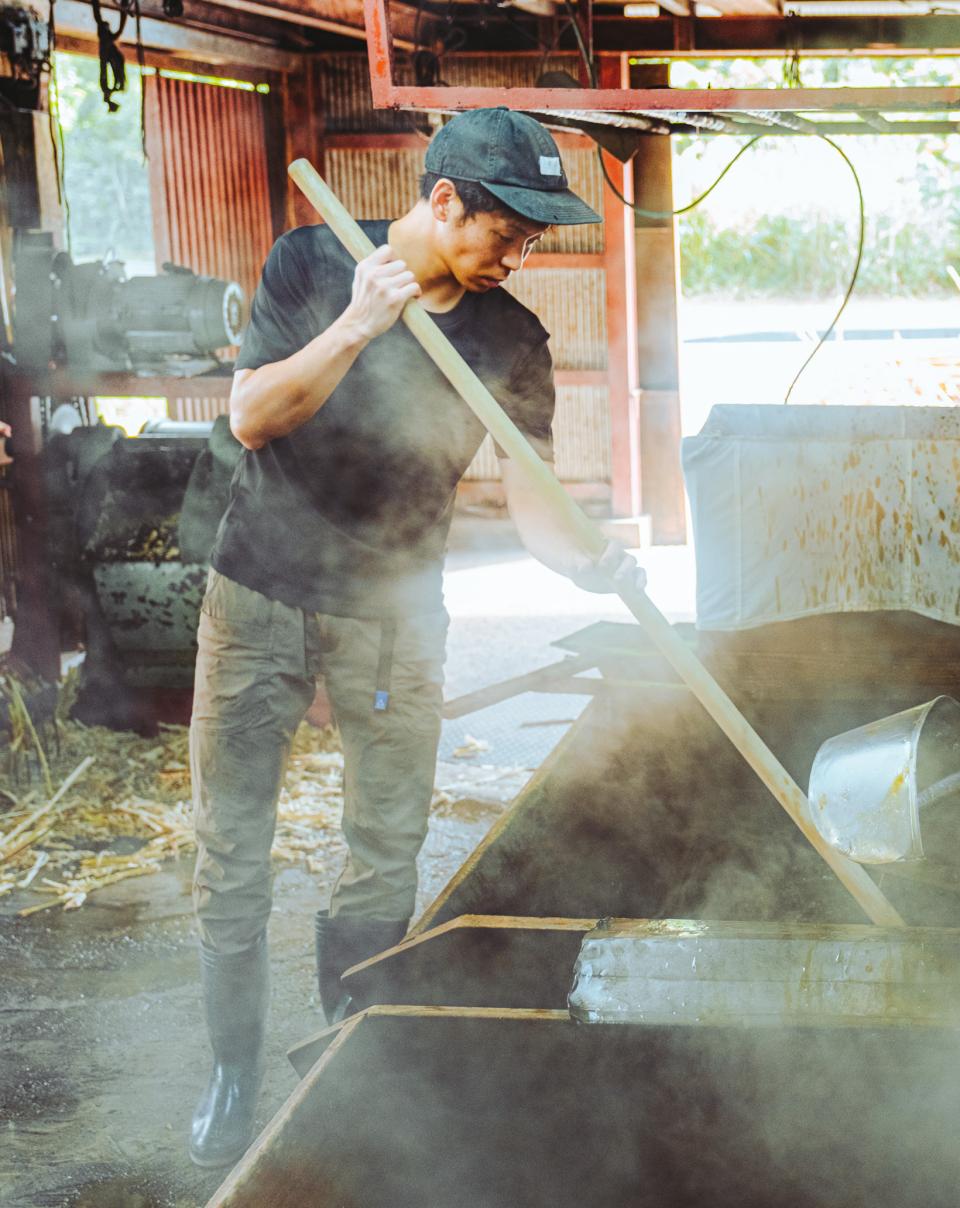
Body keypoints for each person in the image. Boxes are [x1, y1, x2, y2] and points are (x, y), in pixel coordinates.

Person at [186, 107, 640, 1168]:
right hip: (257, 595)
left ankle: (350, 1053)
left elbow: (533, 502)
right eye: (506, 232)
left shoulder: (513, 337)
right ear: (442, 201)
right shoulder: (311, 261)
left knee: (384, 853)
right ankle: (231, 1070)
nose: (519, 256)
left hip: (396, 615)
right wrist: (355, 324)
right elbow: (252, 416)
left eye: (534, 240)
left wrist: (590, 559)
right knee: (232, 855)